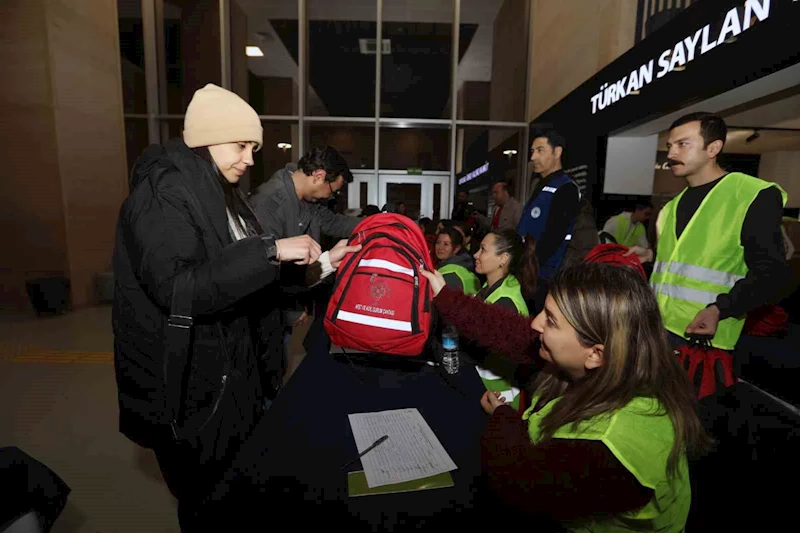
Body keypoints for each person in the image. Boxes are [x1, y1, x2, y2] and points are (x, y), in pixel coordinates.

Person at [112, 84, 359, 527]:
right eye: (241, 145)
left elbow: (247, 279)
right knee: (206, 501)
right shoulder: (163, 192)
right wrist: (269, 251)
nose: (249, 158)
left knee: (236, 495)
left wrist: (322, 264)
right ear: (206, 137)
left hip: (233, 381)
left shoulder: (223, 193)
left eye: (253, 147)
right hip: (194, 389)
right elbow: (179, 289)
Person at [422, 256, 707, 530]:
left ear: (596, 354)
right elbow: (508, 331)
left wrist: (502, 416)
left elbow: (516, 481)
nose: (536, 324)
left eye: (551, 320)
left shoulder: (617, 444)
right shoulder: (611, 366)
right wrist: (445, 295)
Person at [627, 112, 789, 351]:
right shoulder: (671, 206)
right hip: (657, 328)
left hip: (706, 336)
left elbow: (771, 273)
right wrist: (652, 256)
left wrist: (721, 309)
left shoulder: (751, 194)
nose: (671, 154)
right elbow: (686, 260)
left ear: (713, 148)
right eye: (670, 146)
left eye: (683, 145)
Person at [249, 146, 360, 368]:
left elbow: (334, 223)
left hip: (291, 298)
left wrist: (377, 223)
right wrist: (291, 308)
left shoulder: (305, 200)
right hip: (267, 314)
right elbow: (263, 271)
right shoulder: (269, 202)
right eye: (333, 190)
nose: (332, 195)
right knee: (268, 374)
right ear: (319, 176)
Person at [467, 230, 537, 411]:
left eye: (483, 250)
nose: (476, 254)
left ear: (503, 259)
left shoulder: (505, 303)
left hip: (497, 397)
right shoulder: (494, 287)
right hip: (484, 389)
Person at [517, 130, 580, 313]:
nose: (533, 156)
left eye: (540, 150)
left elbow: (555, 236)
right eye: (532, 151)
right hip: (529, 270)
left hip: (544, 275)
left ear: (557, 152)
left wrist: (531, 265)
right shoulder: (541, 184)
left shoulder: (566, 188)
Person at [435, 227, 480, 295]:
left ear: (456, 249)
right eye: (438, 242)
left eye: (446, 244)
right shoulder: (463, 265)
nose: (440, 247)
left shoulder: (451, 275)